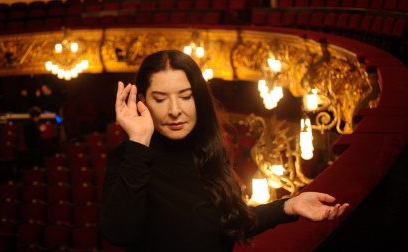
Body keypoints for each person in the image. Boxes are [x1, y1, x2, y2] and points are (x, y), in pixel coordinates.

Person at [97, 50, 349, 251]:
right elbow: (118, 232)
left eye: (185, 96)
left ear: (199, 98)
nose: (174, 110)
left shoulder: (207, 149)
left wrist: (289, 206)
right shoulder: (129, 156)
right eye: (160, 99)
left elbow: (230, 223)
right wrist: (139, 142)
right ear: (143, 101)